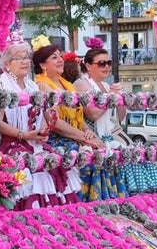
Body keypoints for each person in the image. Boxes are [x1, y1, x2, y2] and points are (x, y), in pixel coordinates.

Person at [32, 42, 121, 201]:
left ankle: (105, 202)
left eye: (60, 56)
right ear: (42, 64)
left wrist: (88, 132)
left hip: (74, 135)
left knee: (103, 150)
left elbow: (79, 115)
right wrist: (83, 137)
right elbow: (55, 122)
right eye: (54, 57)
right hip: (57, 138)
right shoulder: (42, 85)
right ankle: (86, 202)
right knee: (87, 154)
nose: (60, 60)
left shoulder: (66, 84)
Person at [0, 40, 80, 208]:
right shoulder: (1, 85)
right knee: (29, 167)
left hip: (33, 140)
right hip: (11, 143)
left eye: (27, 57)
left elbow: (44, 115)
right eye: (19, 58)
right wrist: (23, 135)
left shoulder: (32, 85)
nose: (25, 61)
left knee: (56, 161)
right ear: (7, 63)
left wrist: (44, 129)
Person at [75, 46, 157, 195]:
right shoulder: (82, 84)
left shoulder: (106, 85)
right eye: (101, 63)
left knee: (138, 158)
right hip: (93, 138)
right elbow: (92, 114)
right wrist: (111, 97)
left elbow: (120, 117)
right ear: (88, 66)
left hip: (112, 134)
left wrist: (120, 99)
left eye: (108, 63)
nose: (106, 67)